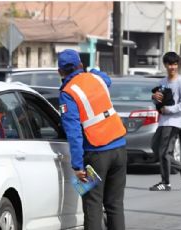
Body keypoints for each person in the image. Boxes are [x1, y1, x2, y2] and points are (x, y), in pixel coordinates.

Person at [58, 49, 127, 230]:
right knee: (115, 205)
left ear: (60, 72)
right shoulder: (96, 78)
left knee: (93, 205)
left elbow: (73, 132)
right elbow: (107, 78)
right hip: (119, 148)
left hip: (96, 154)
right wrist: (90, 71)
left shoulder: (68, 93)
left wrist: (78, 166)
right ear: (81, 65)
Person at [149, 51, 181, 191]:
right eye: (169, 64)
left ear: (177, 65)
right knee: (155, 148)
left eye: (175, 64)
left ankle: (165, 182)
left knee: (164, 152)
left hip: (173, 122)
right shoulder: (162, 82)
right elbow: (157, 99)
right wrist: (154, 97)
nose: (172, 67)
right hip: (162, 122)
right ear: (165, 65)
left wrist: (170, 109)